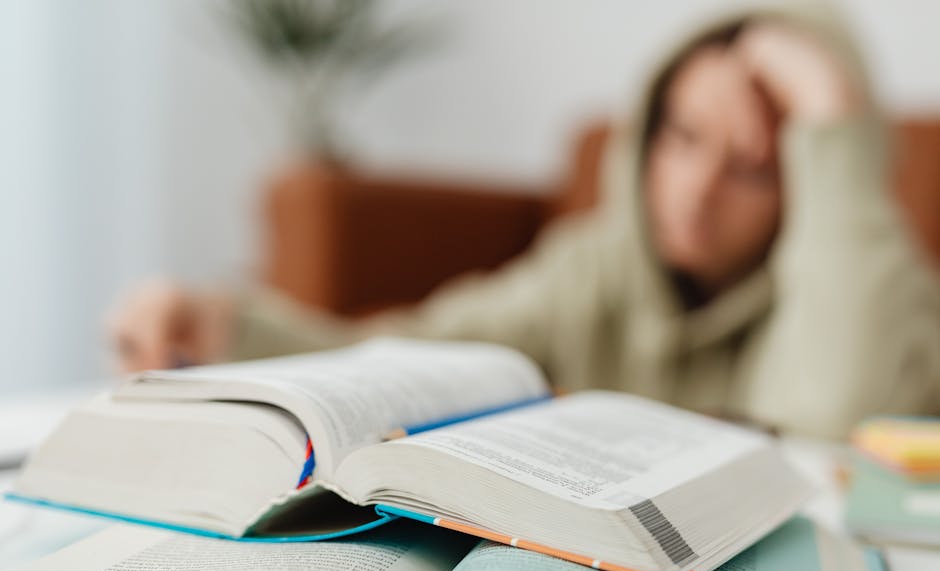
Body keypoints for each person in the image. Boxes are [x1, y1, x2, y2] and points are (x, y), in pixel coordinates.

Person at [109, 7, 940, 439]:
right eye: (682, 137)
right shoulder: (593, 271)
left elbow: (837, 429)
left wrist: (830, 111)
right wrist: (229, 326)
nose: (697, 186)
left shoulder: (879, 292)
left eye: (750, 164)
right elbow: (417, 348)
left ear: (813, 177)